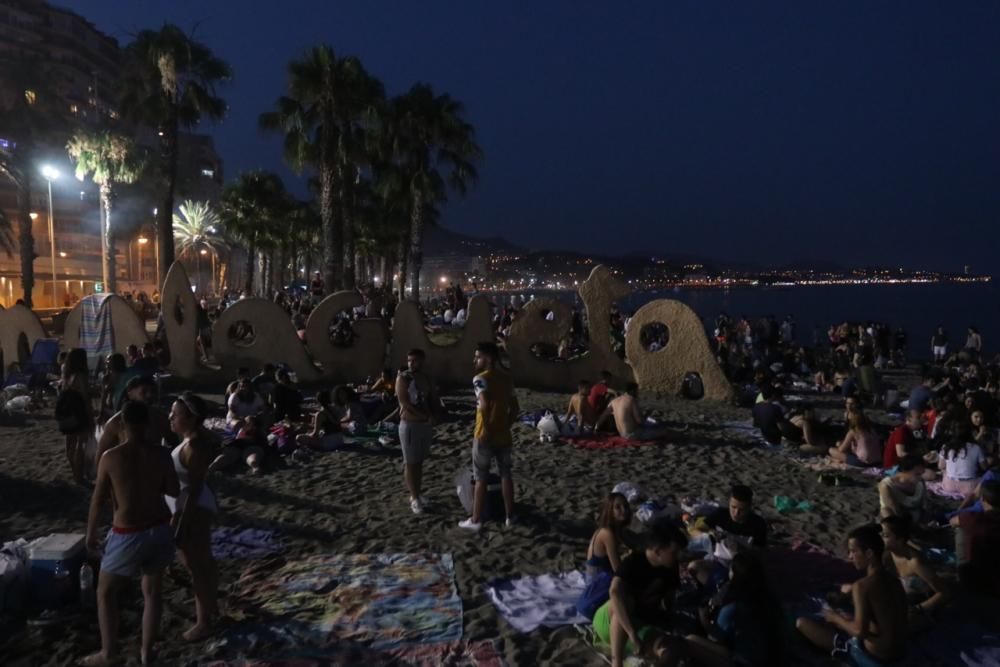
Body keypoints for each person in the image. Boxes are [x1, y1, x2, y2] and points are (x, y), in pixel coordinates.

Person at [81, 402, 179, 667]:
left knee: (105, 592)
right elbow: (173, 491)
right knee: (152, 592)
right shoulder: (161, 454)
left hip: (128, 532)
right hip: (159, 527)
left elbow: (98, 499)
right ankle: (147, 652)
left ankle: (109, 652)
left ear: (122, 424)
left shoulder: (111, 457)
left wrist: (90, 532)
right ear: (146, 424)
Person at [796, 524, 908, 666]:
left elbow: (860, 632)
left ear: (868, 553)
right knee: (847, 619)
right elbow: (888, 619)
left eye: (853, 551)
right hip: (900, 653)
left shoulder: (862, 586)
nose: (850, 557)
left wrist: (835, 618)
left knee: (802, 623)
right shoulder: (894, 581)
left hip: (875, 657)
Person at [593, 523, 687, 667]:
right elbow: (615, 592)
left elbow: (669, 599)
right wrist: (631, 633)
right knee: (624, 600)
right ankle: (616, 662)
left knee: (672, 649)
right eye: (673, 552)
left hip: (640, 624)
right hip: (610, 621)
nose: (677, 556)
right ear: (658, 550)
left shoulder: (671, 567)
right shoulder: (634, 562)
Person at [165, 392, 219, 641]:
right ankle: (210, 612)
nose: (170, 417)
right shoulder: (190, 440)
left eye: (174, 414)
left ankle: (204, 622)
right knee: (198, 564)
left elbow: (194, 489)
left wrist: (180, 521)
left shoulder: (195, 446)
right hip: (187, 506)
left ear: (190, 417)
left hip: (193, 508)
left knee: (197, 566)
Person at [459, 342, 520, 531]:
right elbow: (515, 408)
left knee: (481, 477)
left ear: (488, 358)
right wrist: (506, 424)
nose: (475, 360)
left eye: (478, 356)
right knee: (506, 475)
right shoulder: (506, 378)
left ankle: (476, 519)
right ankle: (510, 515)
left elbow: (484, 404)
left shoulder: (480, 379)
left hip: (484, 435)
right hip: (503, 435)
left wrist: (486, 427)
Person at [685, 553, 783, 667]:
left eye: (730, 569)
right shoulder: (768, 597)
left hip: (746, 661)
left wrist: (704, 620)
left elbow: (720, 640)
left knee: (690, 640)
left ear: (734, 574)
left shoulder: (732, 608)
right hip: (773, 657)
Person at [877, 516, 950, 629]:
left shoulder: (915, 563)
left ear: (900, 540)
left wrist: (919, 609)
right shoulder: (887, 555)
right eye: (880, 534)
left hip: (921, 605)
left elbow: (943, 592)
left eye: (885, 536)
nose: (880, 538)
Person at [96, 375, 177, 462]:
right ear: (130, 394)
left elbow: (176, 446)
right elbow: (101, 454)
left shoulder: (161, 418)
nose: (149, 395)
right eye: (144, 392)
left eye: (153, 392)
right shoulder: (116, 422)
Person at [397, 349, 438, 514]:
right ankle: (414, 497)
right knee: (410, 462)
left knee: (419, 461)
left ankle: (417, 493)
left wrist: (436, 414)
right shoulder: (403, 378)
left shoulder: (426, 378)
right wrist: (424, 417)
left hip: (424, 424)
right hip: (410, 423)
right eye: (409, 360)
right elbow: (405, 403)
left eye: (414, 360)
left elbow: (433, 398)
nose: (411, 364)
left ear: (422, 361)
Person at [950, 479, 1000, 598]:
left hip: (975, 577)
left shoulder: (973, 518)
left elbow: (953, 521)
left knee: (960, 529)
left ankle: (961, 573)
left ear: (983, 500)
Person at [57, 348, 92, 484]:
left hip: (66, 413)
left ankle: (74, 473)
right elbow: (85, 398)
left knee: (70, 444)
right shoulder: (80, 375)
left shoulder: (66, 375)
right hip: (78, 413)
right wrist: (90, 417)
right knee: (80, 444)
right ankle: (79, 476)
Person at [878, 456, 928, 524]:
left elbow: (924, 505)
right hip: (897, 519)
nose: (920, 477)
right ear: (905, 471)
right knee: (886, 512)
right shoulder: (887, 485)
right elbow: (894, 510)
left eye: (922, 473)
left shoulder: (920, 482)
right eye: (917, 474)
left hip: (915, 516)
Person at [938, 431, 986, 496]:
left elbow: (940, 466)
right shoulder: (976, 447)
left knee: (944, 470)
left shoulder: (946, 446)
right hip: (970, 488)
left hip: (949, 486)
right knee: (986, 476)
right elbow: (984, 467)